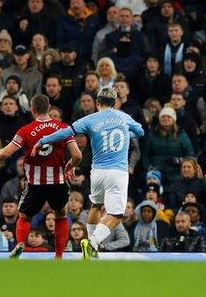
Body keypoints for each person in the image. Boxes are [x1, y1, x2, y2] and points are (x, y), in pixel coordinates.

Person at [32, 87, 144, 259]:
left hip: (97, 172)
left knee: (96, 205)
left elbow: (65, 132)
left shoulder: (89, 119)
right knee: (115, 215)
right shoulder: (123, 116)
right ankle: (92, 243)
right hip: (117, 172)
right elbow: (141, 132)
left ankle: (93, 252)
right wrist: (127, 131)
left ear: (98, 103)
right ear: (114, 103)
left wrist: (42, 140)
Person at [0, 94, 82, 259]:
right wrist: (69, 166)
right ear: (49, 108)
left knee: (24, 216)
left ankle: (20, 244)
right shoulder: (63, 128)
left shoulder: (25, 130)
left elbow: (6, 152)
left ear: (32, 110)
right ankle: (59, 256)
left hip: (35, 183)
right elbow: (77, 155)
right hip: (57, 182)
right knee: (61, 215)